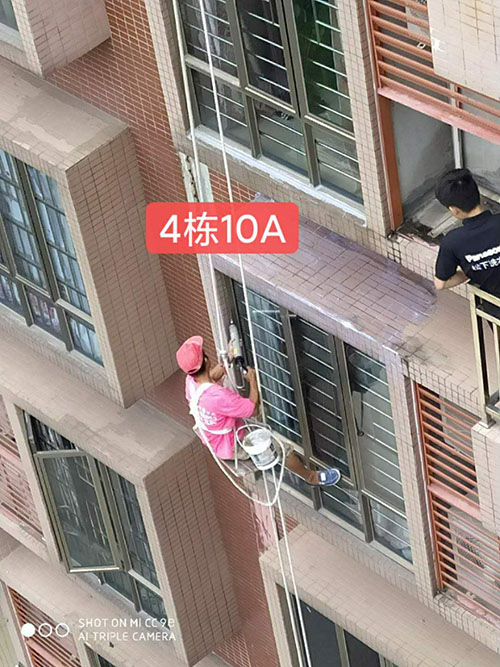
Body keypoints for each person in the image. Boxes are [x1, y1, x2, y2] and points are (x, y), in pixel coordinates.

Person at [177, 335, 341, 487]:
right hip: (234, 444)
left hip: (218, 440)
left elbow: (210, 377)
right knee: (281, 449)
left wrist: (228, 359)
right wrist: (253, 381)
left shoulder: (191, 382)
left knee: (262, 413)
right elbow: (252, 409)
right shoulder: (220, 397)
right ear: (206, 360)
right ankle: (311, 477)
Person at [434, 168, 500, 318]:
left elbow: (440, 283)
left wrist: (473, 268)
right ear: (477, 194)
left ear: (454, 210)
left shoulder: (453, 241)